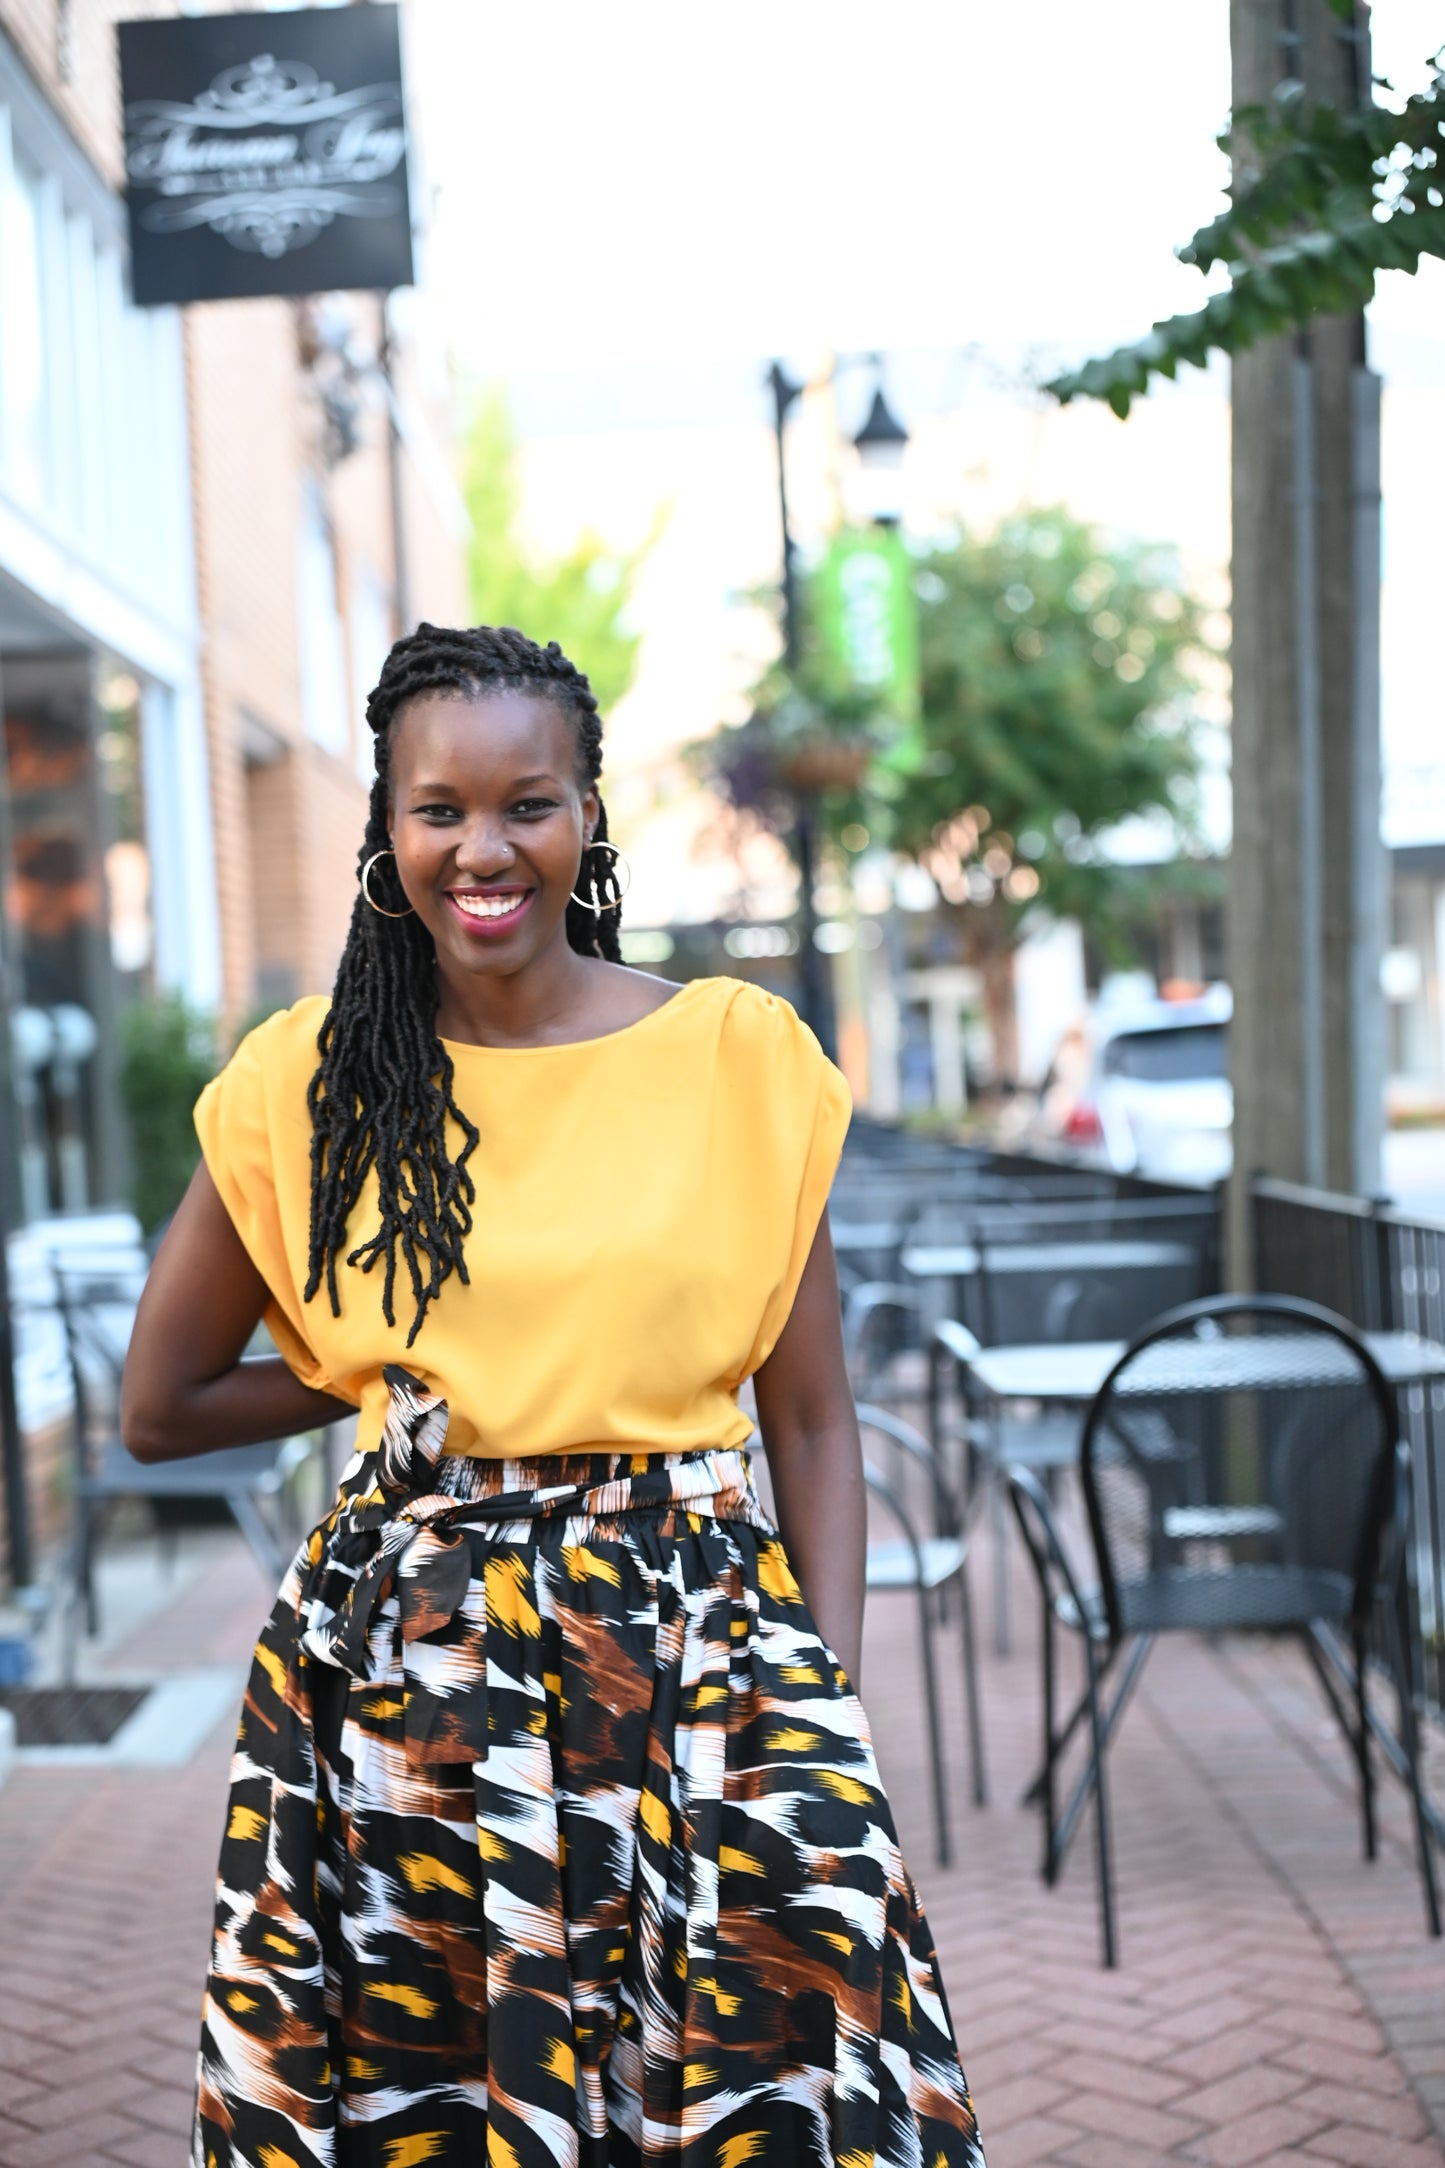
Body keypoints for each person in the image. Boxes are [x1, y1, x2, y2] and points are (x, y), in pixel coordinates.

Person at [122, 623, 986, 2168]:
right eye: (436, 807)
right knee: (445, 2100)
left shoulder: (734, 1057)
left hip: (700, 1646)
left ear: (588, 814)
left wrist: (826, 1700)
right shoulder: (308, 1080)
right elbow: (162, 1403)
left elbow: (810, 1416)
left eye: (527, 802)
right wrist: (382, 1380)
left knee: (763, 2083)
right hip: (417, 1675)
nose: (482, 846)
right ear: (387, 835)